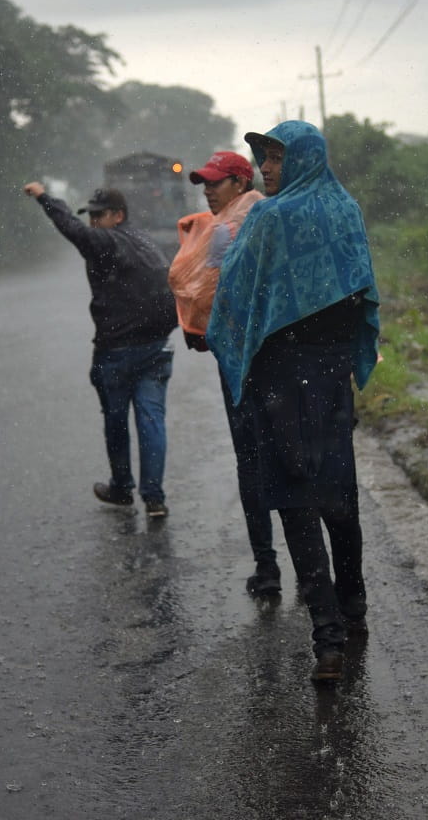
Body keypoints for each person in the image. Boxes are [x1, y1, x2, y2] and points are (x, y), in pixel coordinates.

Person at [206, 121, 380, 684]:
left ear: (302, 157)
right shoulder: (346, 210)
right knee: (334, 497)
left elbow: (234, 295)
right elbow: (362, 291)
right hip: (328, 380)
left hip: (283, 380)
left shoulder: (268, 220)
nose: (267, 168)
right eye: (263, 158)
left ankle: (330, 631)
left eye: (276, 157)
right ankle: (346, 612)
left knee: (298, 502)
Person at [23, 182, 179, 518]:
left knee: (116, 420)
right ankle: (154, 498)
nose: (93, 222)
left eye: (99, 215)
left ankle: (122, 487)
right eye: (91, 215)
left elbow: (72, 230)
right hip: (155, 344)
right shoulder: (146, 241)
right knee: (152, 420)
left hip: (118, 350)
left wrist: (44, 197)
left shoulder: (108, 242)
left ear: (117, 215)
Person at [164, 150, 275, 595]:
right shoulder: (269, 216)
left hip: (243, 365)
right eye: (205, 183)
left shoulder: (224, 231)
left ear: (240, 183)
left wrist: (199, 329)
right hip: (275, 358)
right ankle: (308, 572)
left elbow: (210, 296)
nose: (207, 190)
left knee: (251, 462)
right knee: (284, 462)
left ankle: (267, 569)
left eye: (216, 182)